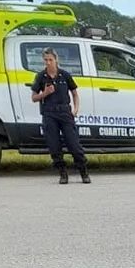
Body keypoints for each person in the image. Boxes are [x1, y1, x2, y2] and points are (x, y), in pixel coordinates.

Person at [30, 48, 89, 184]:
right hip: (49, 113)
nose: (48, 62)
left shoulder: (64, 75)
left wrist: (75, 109)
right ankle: (62, 173)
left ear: (56, 60)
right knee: (54, 146)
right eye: (46, 60)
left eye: (50, 60)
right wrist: (45, 93)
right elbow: (34, 98)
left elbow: (74, 93)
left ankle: (83, 171)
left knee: (74, 144)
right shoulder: (41, 76)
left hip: (65, 112)